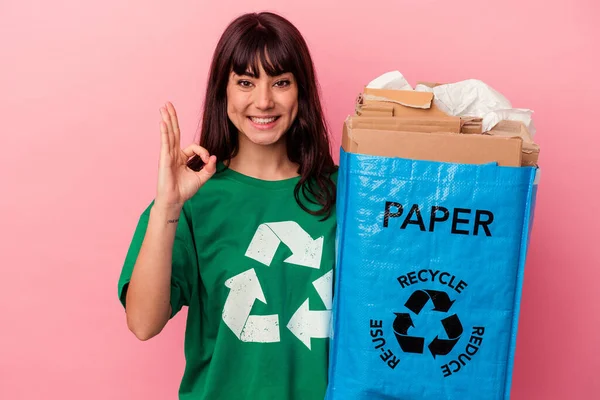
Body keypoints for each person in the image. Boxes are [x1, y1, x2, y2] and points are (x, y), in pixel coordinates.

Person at [117, 11, 338, 400]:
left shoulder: (345, 195)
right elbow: (142, 324)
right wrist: (168, 205)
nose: (264, 101)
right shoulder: (190, 200)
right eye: (246, 82)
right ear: (224, 91)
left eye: (281, 82)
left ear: (301, 91)